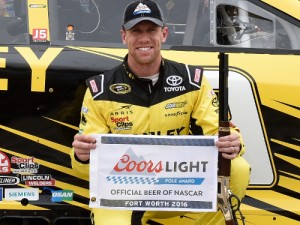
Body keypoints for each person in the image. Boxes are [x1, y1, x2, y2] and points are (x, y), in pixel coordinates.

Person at [71, 0, 250, 224]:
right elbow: (84, 170)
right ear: (124, 36)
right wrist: (82, 156)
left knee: (237, 168)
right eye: (136, 31)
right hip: (122, 192)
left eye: (151, 30)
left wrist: (234, 143)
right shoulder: (100, 89)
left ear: (164, 34)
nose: (144, 38)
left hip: (178, 186)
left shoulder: (191, 81)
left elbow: (222, 134)